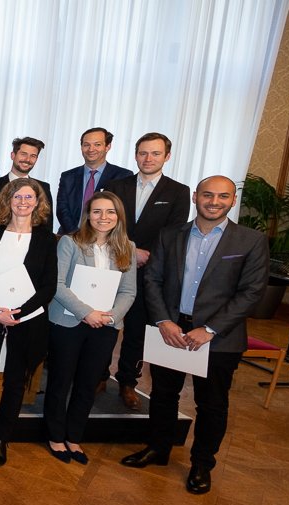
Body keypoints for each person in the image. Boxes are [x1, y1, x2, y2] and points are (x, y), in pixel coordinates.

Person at [120, 175, 268, 495]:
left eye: (223, 196)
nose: (214, 202)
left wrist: (210, 329)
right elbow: (153, 280)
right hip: (171, 330)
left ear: (233, 200)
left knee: (211, 404)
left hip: (218, 338)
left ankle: (202, 464)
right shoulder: (170, 234)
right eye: (207, 195)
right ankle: (158, 448)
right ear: (195, 197)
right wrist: (163, 320)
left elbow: (251, 292)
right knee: (163, 395)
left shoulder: (251, 240)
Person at [0, 178, 57, 466]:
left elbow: (49, 286)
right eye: (17, 196)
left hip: (27, 320)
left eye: (29, 197)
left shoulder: (46, 239)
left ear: (38, 202)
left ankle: (1, 439)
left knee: (15, 382)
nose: (22, 202)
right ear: (7, 200)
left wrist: (18, 312)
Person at [45, 192, 137, 465]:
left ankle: (74, 436)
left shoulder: (128, 247)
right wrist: (86, 312)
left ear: (118, 216)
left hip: (105, 326)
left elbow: (129, 291)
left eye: (110, 212)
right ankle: (55, 436)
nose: (103, 217)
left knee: (88, 384)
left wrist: (110, 317)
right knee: (60, 381)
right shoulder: (70, 243)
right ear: (88, 215)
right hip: (68, 322)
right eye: (97, 211)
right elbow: (57, 284)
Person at [103, 132, 190, 409]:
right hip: (112, 265)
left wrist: (145, 256)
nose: (148, 158)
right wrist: (130, 251)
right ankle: (98, 375)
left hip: (149, 272)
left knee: (137, 331)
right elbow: (104, 223)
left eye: (155, 153)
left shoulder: (178, 192)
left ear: (167, 156)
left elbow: (174, 234)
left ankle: (128, 382)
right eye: (143, 153)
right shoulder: (116, 186)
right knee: (104, 324)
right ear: (136, 155)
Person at [55, 128, 134, 235]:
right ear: (81, 147)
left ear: (107, 147)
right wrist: (75, 235)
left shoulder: (123, 176)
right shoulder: (68, 176)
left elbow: (121, 212)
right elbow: (62, 210)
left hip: (106, 239)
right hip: (70, 237)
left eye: (97, 144)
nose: (91, 149)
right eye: (86, 145)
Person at [0, 137, 54, 230]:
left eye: (33, 156)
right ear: (13, 155)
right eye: (23, 154)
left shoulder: (43, 188)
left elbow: (47, 226)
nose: (28, 159)